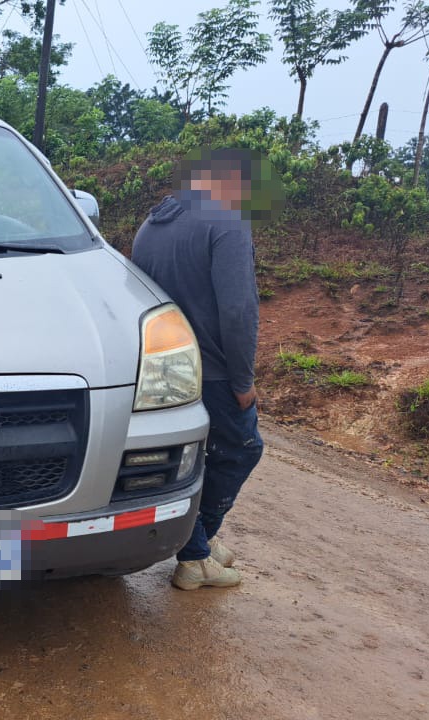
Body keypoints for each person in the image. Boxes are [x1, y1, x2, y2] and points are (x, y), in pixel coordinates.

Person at [131, 147, 264, 591]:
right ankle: (194, 551)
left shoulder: (152, 224)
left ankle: (200, 538)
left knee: (190, 459)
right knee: (242, 448)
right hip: (215, 371)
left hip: (165, 368)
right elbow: (239, 310)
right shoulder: (226, 222)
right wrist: (244, 380)